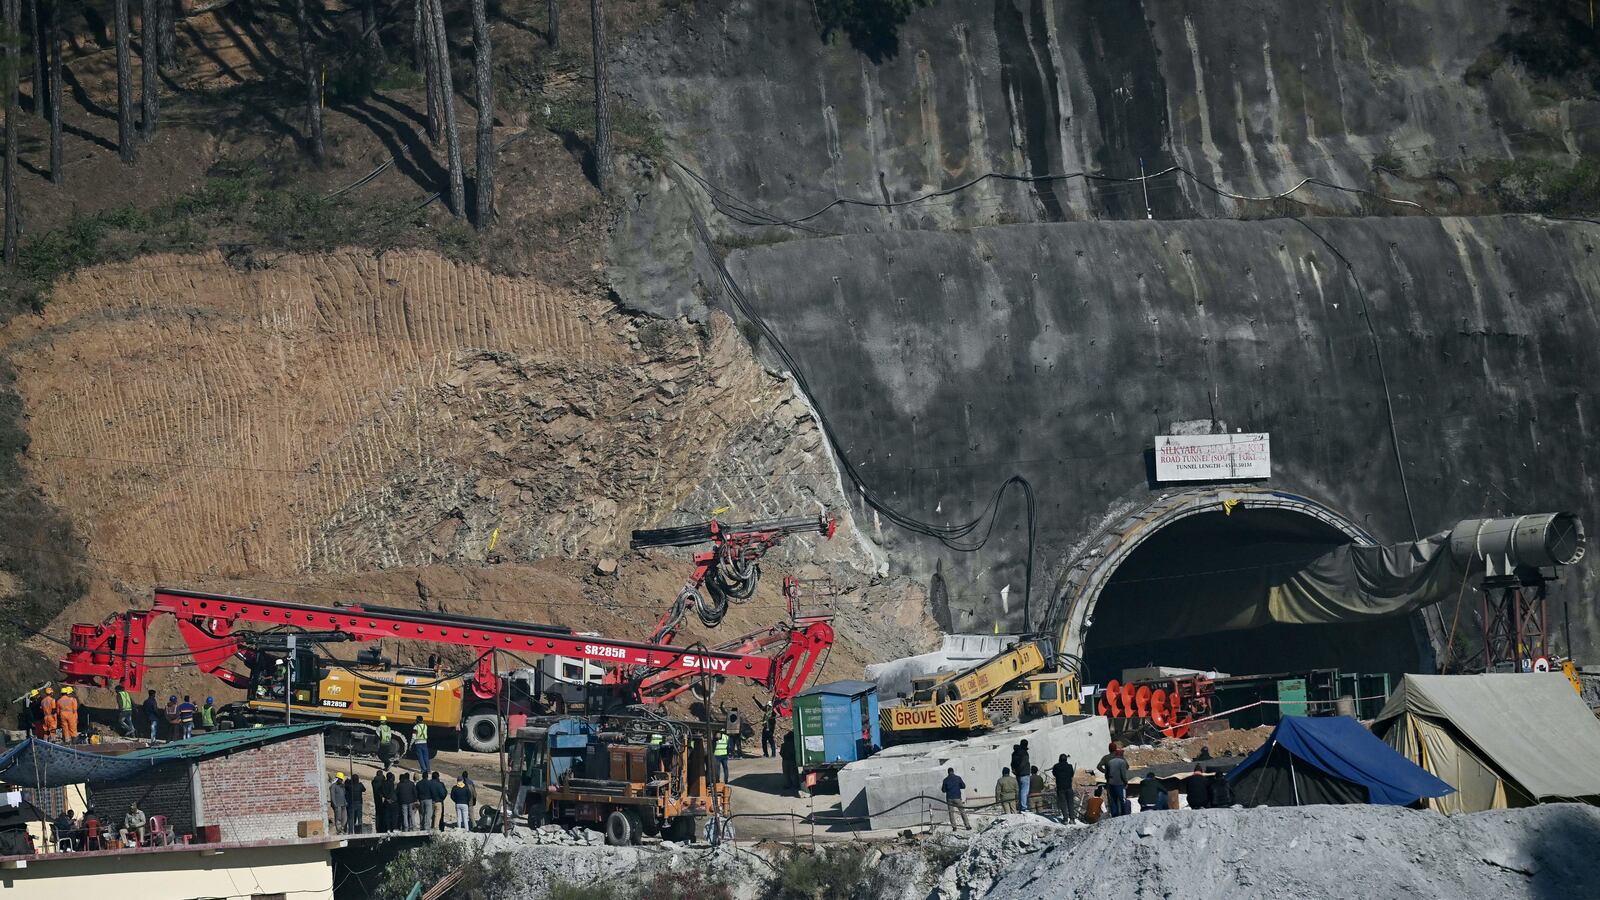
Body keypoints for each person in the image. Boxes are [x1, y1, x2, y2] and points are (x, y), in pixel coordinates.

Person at [1102, 747, 1130, 817]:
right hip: (1119, 783)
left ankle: (1115, 815)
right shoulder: (1122, 762)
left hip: (1111, 783)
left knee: (1113, 800)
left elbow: (1107, 774)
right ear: (1120, 754)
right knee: (1122, 799)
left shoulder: (1110, 762)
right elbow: (1123, 774)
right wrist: (1126, 782)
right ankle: (1124, 814)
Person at [1051, 754, 1076, 822]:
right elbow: (1072, 774)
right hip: (1069, 787)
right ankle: (1072, 819)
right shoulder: (1070, 766)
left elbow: (1054, 774)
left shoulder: (1056, 766)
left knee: (1063, 803)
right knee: (1070, 803)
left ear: (1059, 759)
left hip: (1060, 787)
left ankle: (1065, 819)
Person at [1010, 740, 1031, 812]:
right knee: (1024, 791)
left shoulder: (1014, 753)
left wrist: (1015, 771)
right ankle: (1024, 807)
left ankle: (1020, 806)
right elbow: (1024, 763)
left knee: (1020, 791)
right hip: (1024, 774)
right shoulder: (1024, 753)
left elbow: (1012, 763)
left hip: (1018, 775)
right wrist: (1020, 770)